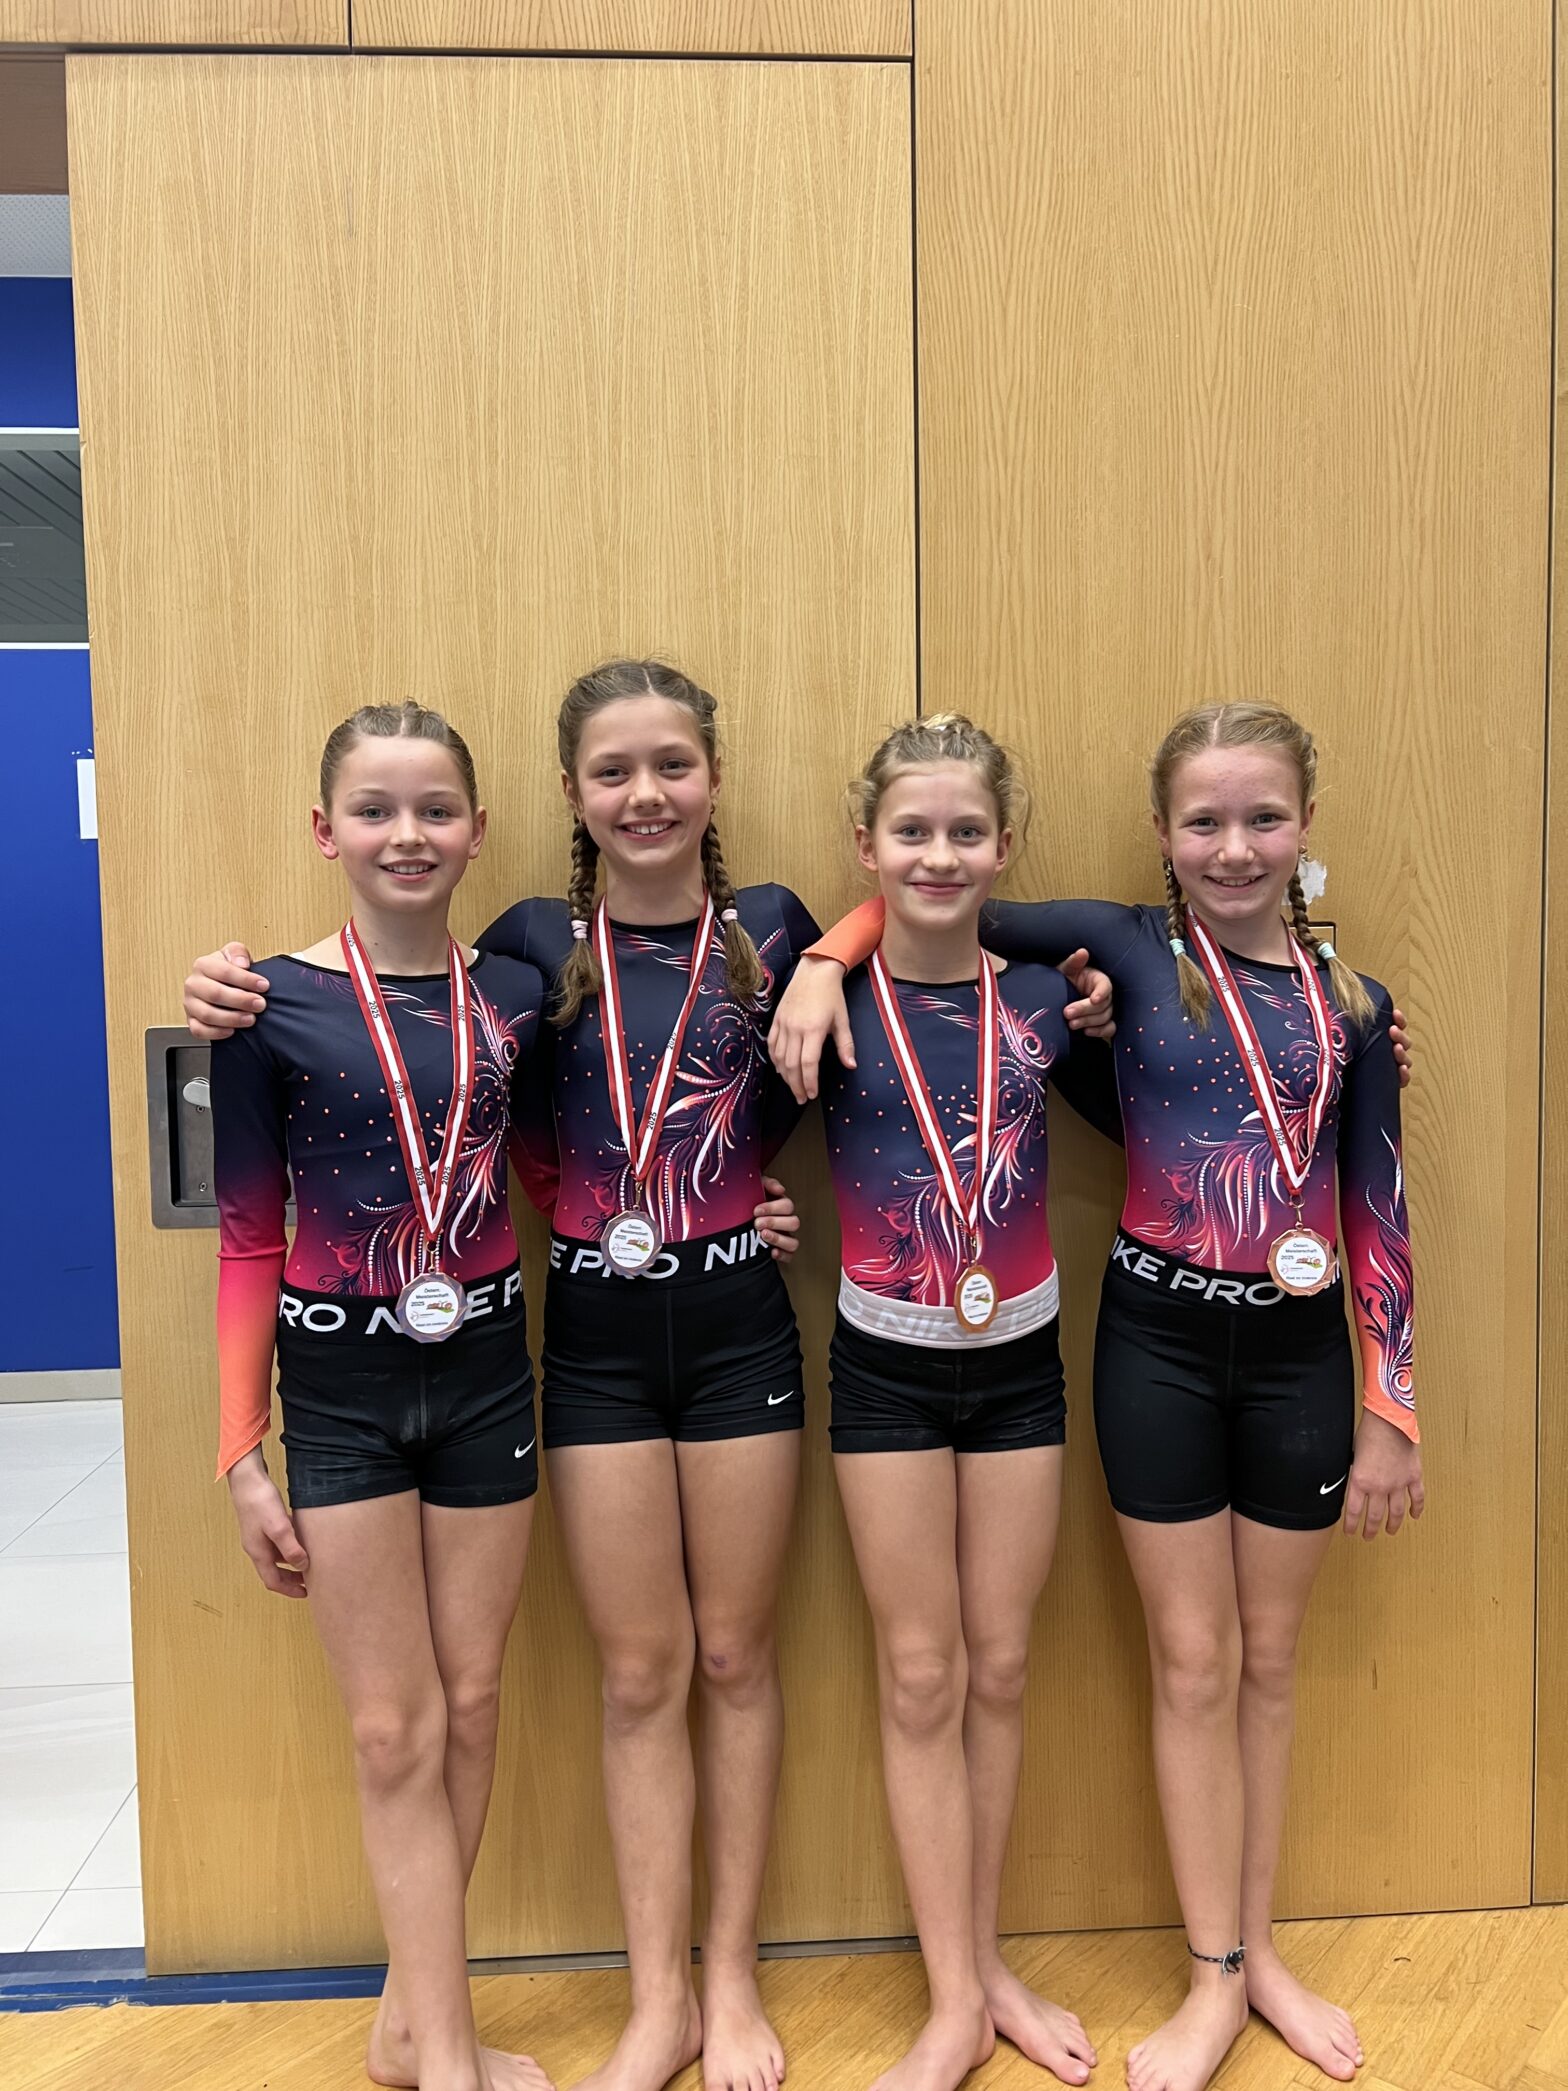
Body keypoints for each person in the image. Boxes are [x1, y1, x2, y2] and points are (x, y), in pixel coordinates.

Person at [189, 661, 1113, 2091]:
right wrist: (228, 989)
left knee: (736, 1659)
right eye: (613, 772)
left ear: (714, 779)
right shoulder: (522, 950)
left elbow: (912, 907)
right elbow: (482, 1106)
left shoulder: (774, 929)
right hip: (593, 1344)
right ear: (569, 795)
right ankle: (655, 2001)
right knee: (638, 1674)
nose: (646, 795)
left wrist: (829, 956)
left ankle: (729, 1982)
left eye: (673, 766)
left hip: (741, 1329)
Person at [770, 701, 1422, 2091]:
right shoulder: (1118, 950)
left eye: (1263, 818)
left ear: (1305, 826)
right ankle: (1101, 1982)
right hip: (1142, 1345)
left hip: (1297, 1357)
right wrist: (825, 958)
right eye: (1204, 821)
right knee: (1173, 1663)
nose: (1233, 846)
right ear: (1160, 832)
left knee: (1260, 1663)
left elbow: (1378, 1204)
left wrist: (1395, 1406)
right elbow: (934, 900)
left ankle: (1248, 1964)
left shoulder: (1356, 1010)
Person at [211, 701, 554, 2091]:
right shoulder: (260, 1006)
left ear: (476, 829)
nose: (406, 834)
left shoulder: (518, 994)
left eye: (434, 809)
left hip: (485, 1370)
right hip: (342, 1382)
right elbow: (248, 1236)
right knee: (388, 1726)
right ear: (326, 831)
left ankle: (415, 2031)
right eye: (374, 809)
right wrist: (242, 1451)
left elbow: (556, 1169)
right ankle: (448, 2053)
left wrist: (731, 1199)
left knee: (470, 1704)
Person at [812, 716, 1101, 2091]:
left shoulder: (1047, 1001)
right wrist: (831, 955)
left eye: (966, 832)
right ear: (867, 846)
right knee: (921, 1671)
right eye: (912, 832)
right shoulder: (818, 1005)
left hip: (1020, 1363)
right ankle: (948, 2002)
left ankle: (987, 1971)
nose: (940, 855)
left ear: (1004, 847)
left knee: (1000, 1665)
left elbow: (1166, 1086)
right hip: (885, 1365)